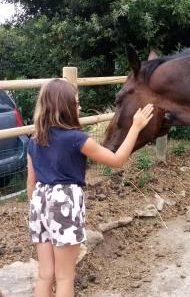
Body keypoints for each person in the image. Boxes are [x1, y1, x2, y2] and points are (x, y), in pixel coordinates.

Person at [27, 78, 154, 297]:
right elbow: (117, 160)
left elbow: (31, 184)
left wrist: (40, 211)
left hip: (39, 203)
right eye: (76, 103)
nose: (80, 107)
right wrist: (136, 127)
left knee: (45, 274)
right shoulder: (77, 139)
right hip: (64, 202)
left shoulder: (34, 140)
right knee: (65, 276)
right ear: (65, 106)